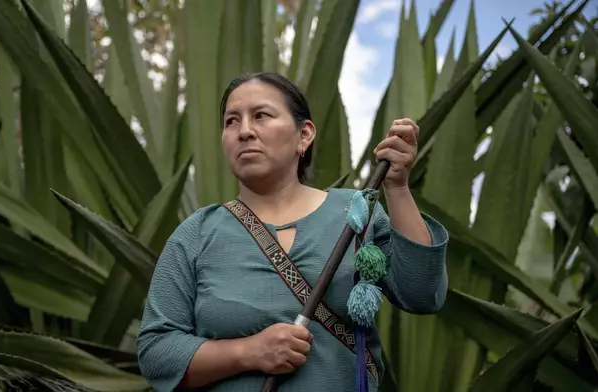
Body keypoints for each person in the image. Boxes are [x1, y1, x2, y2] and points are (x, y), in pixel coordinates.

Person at [137, 72, 449, 391]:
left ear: (304, 135)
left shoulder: (356, 213)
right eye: (232, 121)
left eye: (261, 115)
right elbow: (156, 353)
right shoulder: (197, 233)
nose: (244, 131)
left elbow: (422, 294)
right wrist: (249, 352)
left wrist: (396, 186)